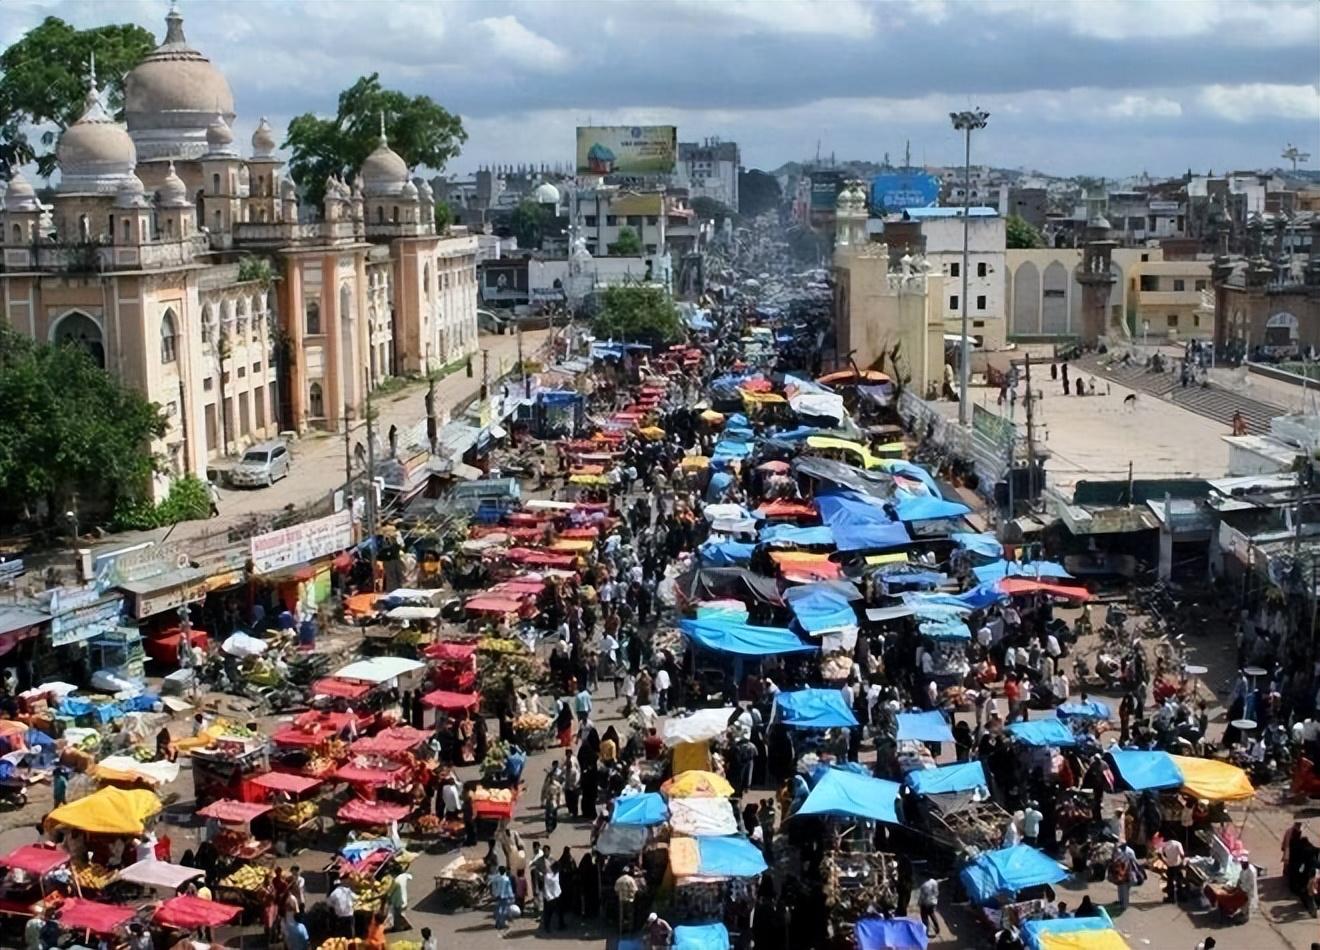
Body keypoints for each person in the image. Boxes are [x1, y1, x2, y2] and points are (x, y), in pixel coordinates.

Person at [1109, 844, 1144, 910]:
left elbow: (1115, 860)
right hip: (1127, 873)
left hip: (1126, 874)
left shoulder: (1120, 851)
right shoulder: (1130, 851)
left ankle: (1124, 905)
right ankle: (1121, 902)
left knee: (1123, 888)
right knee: (1122, 887)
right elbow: (1135, 861)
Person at [1160, 835, 1186, 902]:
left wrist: (1165, 861)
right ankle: (1181, 897)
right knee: (1179, 881)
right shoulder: (1178, 843)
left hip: (1170, 865)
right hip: (1177, 865)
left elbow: (1160, 854)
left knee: (1170, 881)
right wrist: (1183, 862)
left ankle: (1171, 898)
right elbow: (1182, 854)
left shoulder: (1164, 845)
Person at [490, 865, 516, 930]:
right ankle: (502, 924)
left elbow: (494, 887)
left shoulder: (496, 878)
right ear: (505, 871)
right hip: (505, 896)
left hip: (498, 896)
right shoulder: (506, 879)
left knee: (498, 910)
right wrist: (512, 896)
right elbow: (509, 889)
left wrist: (494, 894)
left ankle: (497, 923)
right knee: (504, 910)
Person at [542, 760, 565, 834]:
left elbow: (560, 794)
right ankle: (548, 828)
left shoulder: (557, 785)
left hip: (554, 802)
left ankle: (553, 826)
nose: (551, 778)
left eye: (552, 777)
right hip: (548, 802)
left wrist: (560, 803)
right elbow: (543, 792)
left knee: (553, 816)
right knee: (548, 816)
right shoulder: (546, 784)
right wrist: (542, 801)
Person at [615, 866, 639, 934]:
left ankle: (621, 930)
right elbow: (635, 889)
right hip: (630, 900)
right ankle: (630, 930)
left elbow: (616, 890)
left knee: (621, 915)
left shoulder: (619, 880)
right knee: (630, 915)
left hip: (621, 899)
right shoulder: (631, 879)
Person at [542, 861, 564, 932]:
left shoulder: (555, 874)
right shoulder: (549, 876)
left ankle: (560, 924)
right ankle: (548, 927)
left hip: (555, 896)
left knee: (558, 911)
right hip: (550, 897)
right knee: (550, 913)